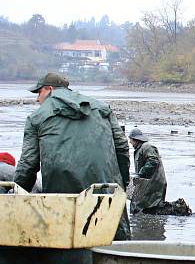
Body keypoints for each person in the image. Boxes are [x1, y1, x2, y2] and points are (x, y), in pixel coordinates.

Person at [14, 73, 131, 240]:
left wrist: (14, 197)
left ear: (49, 89)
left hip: (62, 200)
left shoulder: (35, 118)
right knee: (114, 247)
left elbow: (28, 165)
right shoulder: (102, 108)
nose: (37, 99)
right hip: (107, 193)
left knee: (65, 249)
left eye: (38, 93)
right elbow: (122, 147)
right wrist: (122, 184)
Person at [127, 127, 168, 214]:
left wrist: (141, 173)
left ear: (135, 139)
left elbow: (153, 160)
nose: (129, 142)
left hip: (155, 183)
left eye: (130, 139)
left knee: (141, 207)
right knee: (140, 207)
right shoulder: (140, 149)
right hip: (148, 183)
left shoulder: (147, 147)